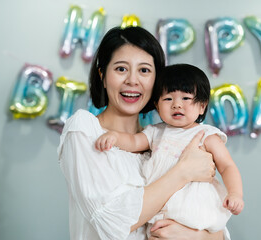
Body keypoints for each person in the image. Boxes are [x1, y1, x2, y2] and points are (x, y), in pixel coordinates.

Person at [58, 26, 230, 240]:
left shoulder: (163, 139)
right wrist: (183, 171)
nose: (132, 80)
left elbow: (214, 225)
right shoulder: (84, 129)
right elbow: (110, 221)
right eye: (121, 69)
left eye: (144, 70)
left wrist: (196, 236)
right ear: (102, 75)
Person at [96, 63, 244, 235]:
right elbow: (134, 141)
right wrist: (114, 137)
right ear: (157, 105)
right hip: (158, 208)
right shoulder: (156, 132)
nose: (177, 105)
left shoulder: (206, 135)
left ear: (202, 106)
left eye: (186, 98)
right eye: (168, 99)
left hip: (193, 209)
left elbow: (227, 166)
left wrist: (235, 194)